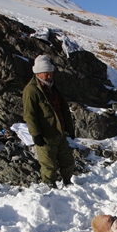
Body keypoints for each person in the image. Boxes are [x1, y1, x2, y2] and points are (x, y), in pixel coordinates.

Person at [23, 55, 76, 188]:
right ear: (38, 73)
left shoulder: (53, 87)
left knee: (67, 161)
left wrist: (70, 129)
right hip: (46, 134)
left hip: (60, 132)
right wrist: (36, 134)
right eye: (46, 74)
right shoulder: (31, 90)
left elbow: (62, 109)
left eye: (50, 73)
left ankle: (68, 183)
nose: (49, 76)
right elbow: (29, 114)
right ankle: (49, 188)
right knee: (48, 164)